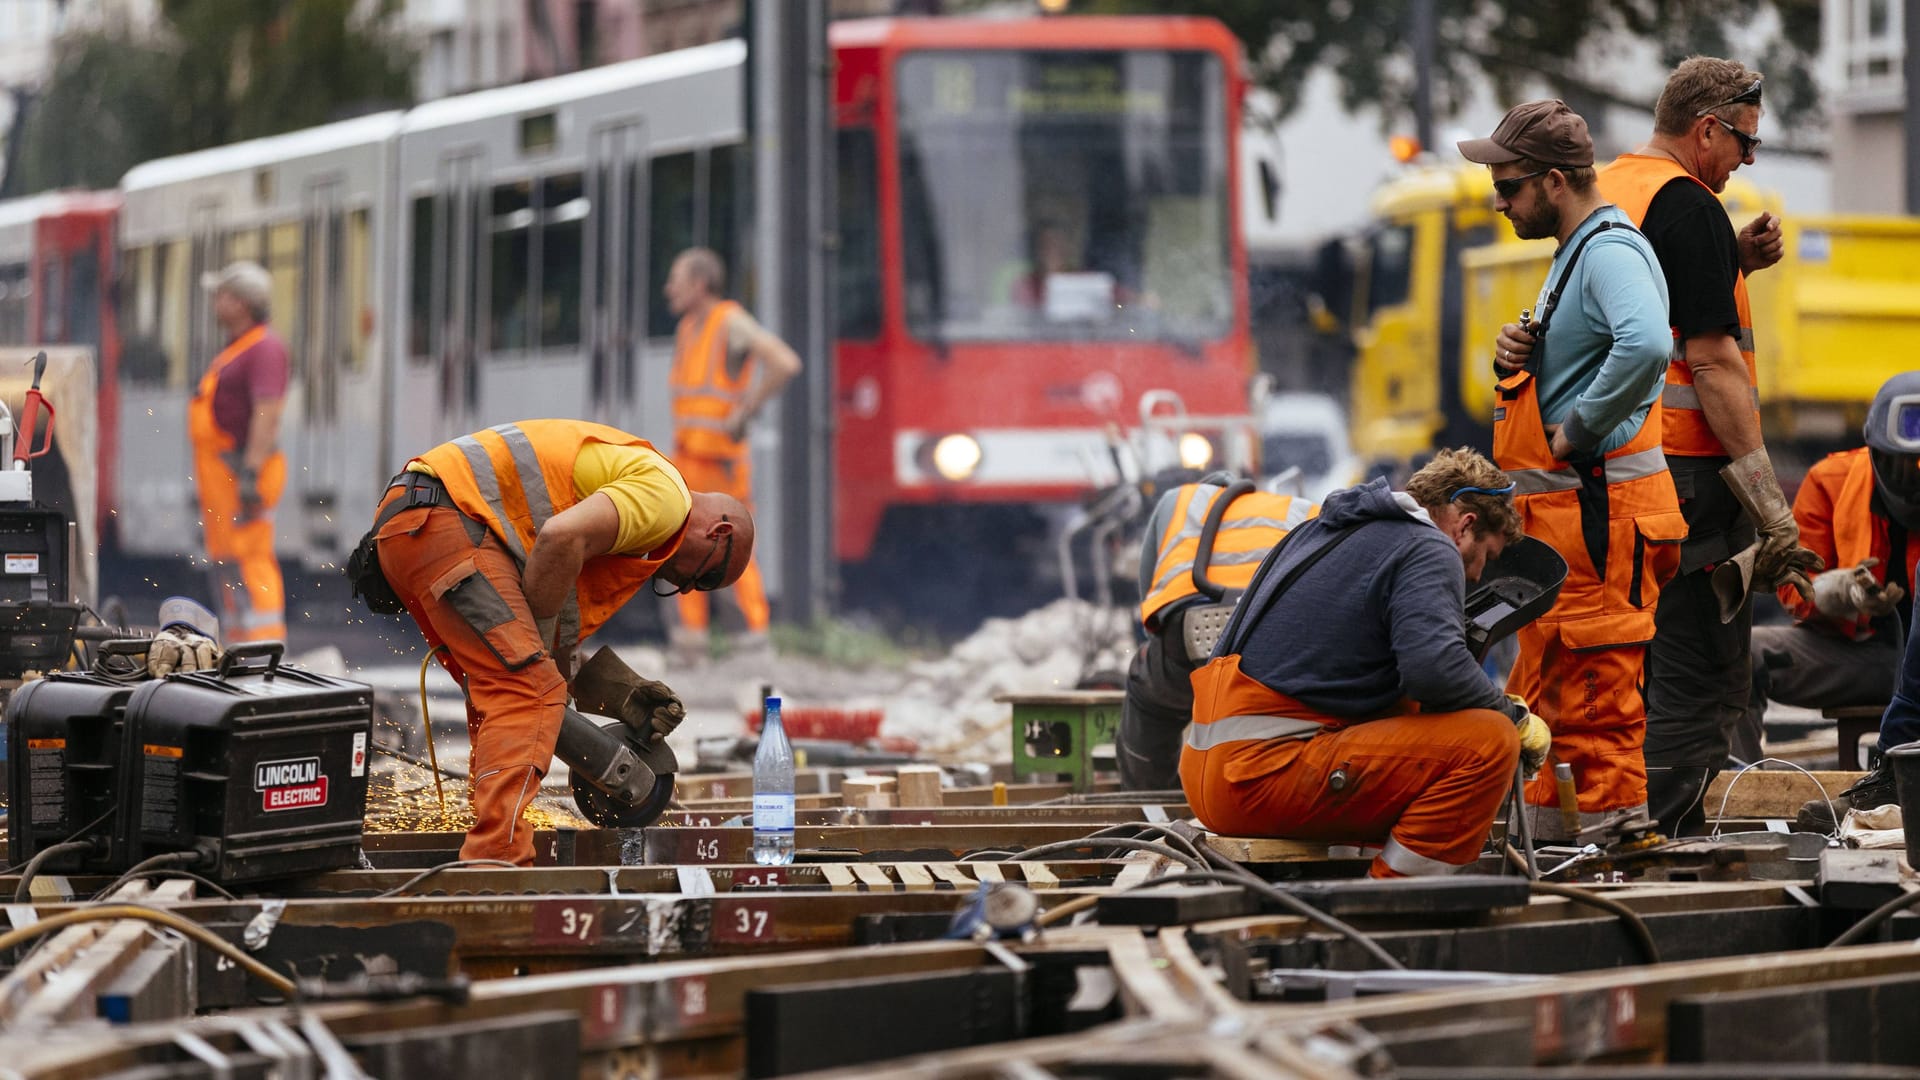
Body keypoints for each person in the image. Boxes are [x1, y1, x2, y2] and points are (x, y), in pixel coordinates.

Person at [1591, 57, 1823, 834]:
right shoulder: (1688, 207)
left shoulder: (1617, 188)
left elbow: (1644, 297)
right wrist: (1770, 509)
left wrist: (1732, 261)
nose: (1744, 163)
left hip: (1616, 475)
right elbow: (1713, 364)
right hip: (1687, 480)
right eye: (1745, 146)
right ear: (1705, 130)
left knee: (1639, 666)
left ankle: (1621, 823)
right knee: (1701, 678)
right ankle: (1667, 841)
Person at [371, 419, 754, 865]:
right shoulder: (667, 500)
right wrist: (544, 674)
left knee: (499, 694)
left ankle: (487, 832)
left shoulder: (635, 506)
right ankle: (497, 861)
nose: (687, 587)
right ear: (718, 533)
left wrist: (599, 687)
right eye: (704, 578)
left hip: (417, 518)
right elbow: (559, 539)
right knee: (527, 692)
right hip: (448, 521)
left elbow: (550, 600)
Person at [1468, 101, 1684, 839]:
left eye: (1510, 186)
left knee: (1595, 695)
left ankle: (1611, 848)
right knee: (1557, 695)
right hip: (1571, 523)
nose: (1499, 201)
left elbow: (1648, 343)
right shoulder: (1578, 250)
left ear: (1556, 181)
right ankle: (1560, 844)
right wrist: (1516, 352)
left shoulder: (1610, 251)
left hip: (1601, 516)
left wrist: (1579, 430)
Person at [1180, 449, 1551, 879]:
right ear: (1466, 525)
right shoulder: (1430, 547)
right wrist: (1515, 718)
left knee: (1416, 717)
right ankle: (1393, 903)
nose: (1476, 575)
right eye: (1485, 555)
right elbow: (1435, 670)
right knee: (1488, 743)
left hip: (1212, 776)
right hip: (1260, 775)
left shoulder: (1325, 534)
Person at [1759, 374, 1920, 827]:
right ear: (1874, 451)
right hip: (1861, 656)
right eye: (1901, 466)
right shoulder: (1831, 481)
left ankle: (1894, 780)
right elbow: (1793, 586)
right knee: (1746, 655)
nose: (1912, 483)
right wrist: (1840, 591)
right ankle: (1739, 784)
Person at [1118, 476, 1317, 790]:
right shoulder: (1306, 511)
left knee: (1151, 699)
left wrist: (1160, 654)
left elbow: (1150, 590)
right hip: (1273, 630)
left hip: (1187, 624)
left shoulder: (1177, 501)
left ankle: (1152, 807)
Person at [664, 247, 801, 658]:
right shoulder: (689, 327)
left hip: (721, 463)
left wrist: (748, 409)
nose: (669, 288)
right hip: (689, 459)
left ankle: (752, 642)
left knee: (729, 546)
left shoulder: (730, 322)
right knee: (679, 545)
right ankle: (692, 641)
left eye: (677, 279)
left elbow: (785, 363)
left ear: (700, 283)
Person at [191, 261, 291, 645]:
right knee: (230, 562)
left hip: (244, 475)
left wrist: (250, 473)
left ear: (242, 303)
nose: (216, 303)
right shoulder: (237, 350)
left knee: (251, 558)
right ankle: (239, 646)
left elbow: (267, 413)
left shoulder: (264, 348)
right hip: (225, 478)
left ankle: (265, 647)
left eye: (223, 296)